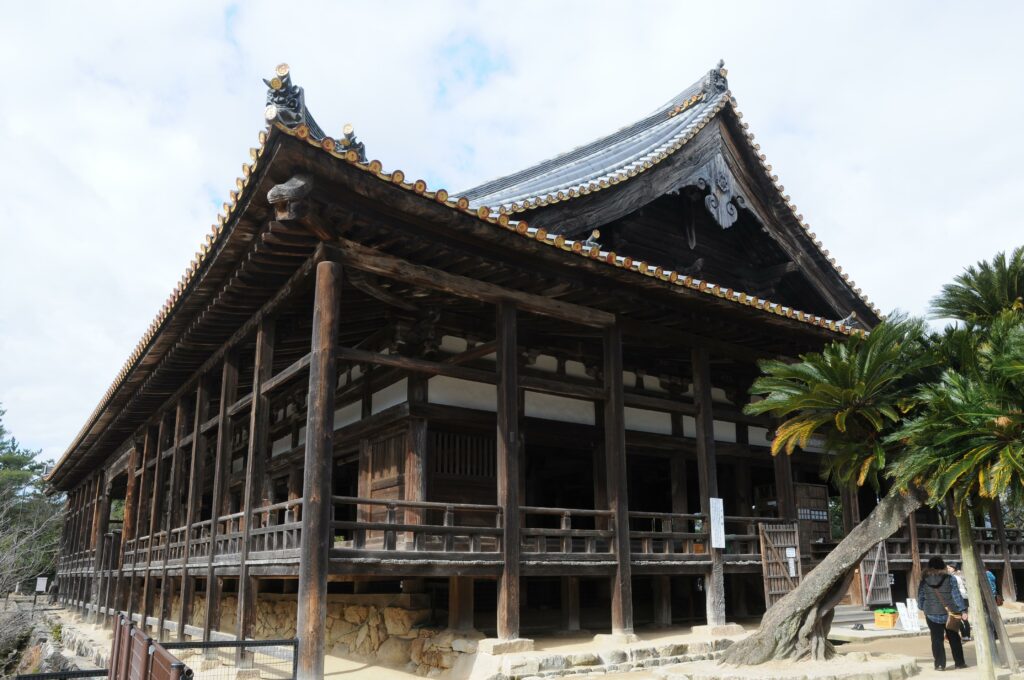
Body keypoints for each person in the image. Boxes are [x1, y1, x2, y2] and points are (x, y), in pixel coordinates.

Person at [918, 556, 967, 671]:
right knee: (954, 638)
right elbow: (956, 596)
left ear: (929, 566)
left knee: (936, 639)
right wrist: (962, 610)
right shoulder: (950, 578)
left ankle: (940, 664)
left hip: (931, 613)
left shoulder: (924, 580)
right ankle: (959, 663)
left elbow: (921, 596)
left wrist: (922, 607)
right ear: (943, 566)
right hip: (950, 612)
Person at [949, 564, 971, 640]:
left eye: (949, 568)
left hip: (959, 597)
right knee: (964, 617)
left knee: (958, 617)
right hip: (965, 597)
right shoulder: (962, 575)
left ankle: (964, 634)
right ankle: (967, 635)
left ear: (953, 568)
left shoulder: (953, 577)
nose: (948, 569)